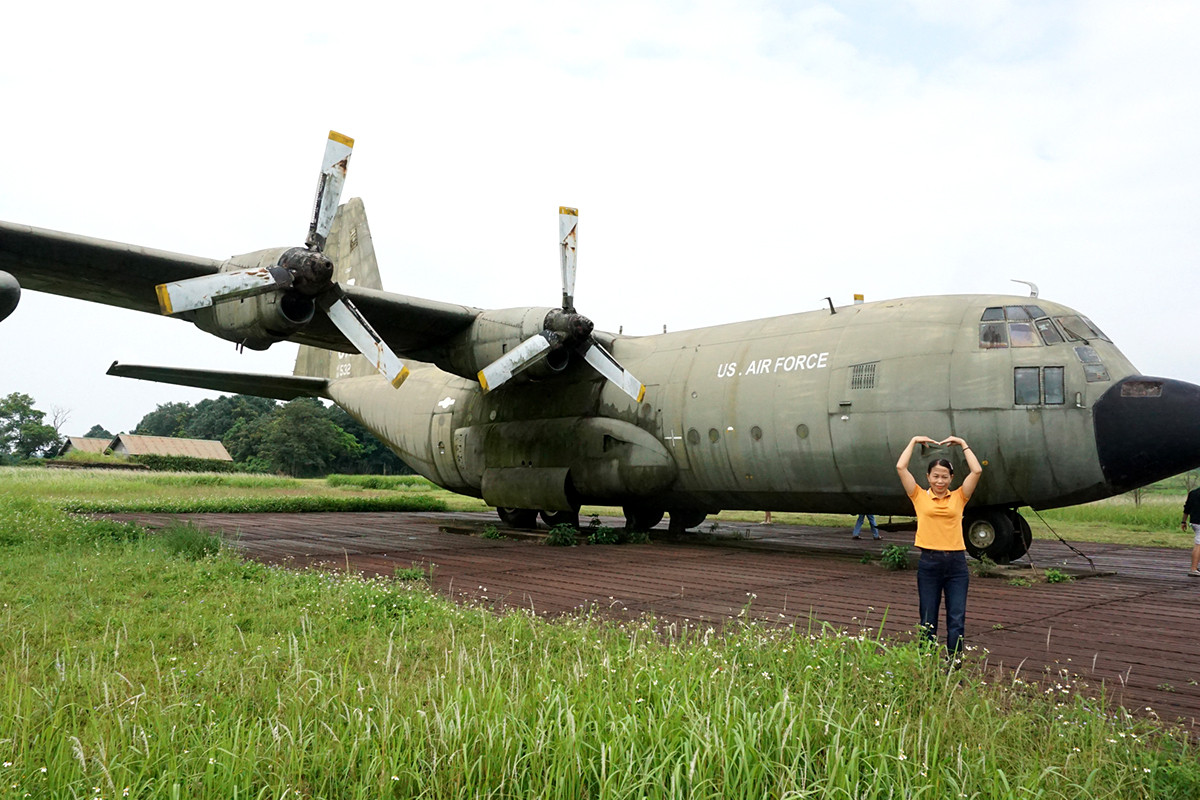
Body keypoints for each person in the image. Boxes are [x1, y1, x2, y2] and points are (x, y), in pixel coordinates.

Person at [896, 435, 984, 660]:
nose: (940, 481)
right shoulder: (918, 496)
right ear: (928, 477)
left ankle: (954, 662)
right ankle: (926, 663)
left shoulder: (959, 497)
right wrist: (914, 441)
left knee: (956, 618)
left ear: (951, 478)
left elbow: (976, 471)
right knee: (927, 618)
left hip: (956, 565)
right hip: (929, 563)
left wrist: (964, 444)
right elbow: (900, 466)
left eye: (945, 477)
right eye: (935, 476)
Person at [1181, 485, 1200, 576]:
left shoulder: (1193, 493)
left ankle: (1195, 567)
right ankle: (1193, 569)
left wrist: (1183, 521)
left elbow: (1186, 508)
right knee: (1198, 545)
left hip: (1194, 522)